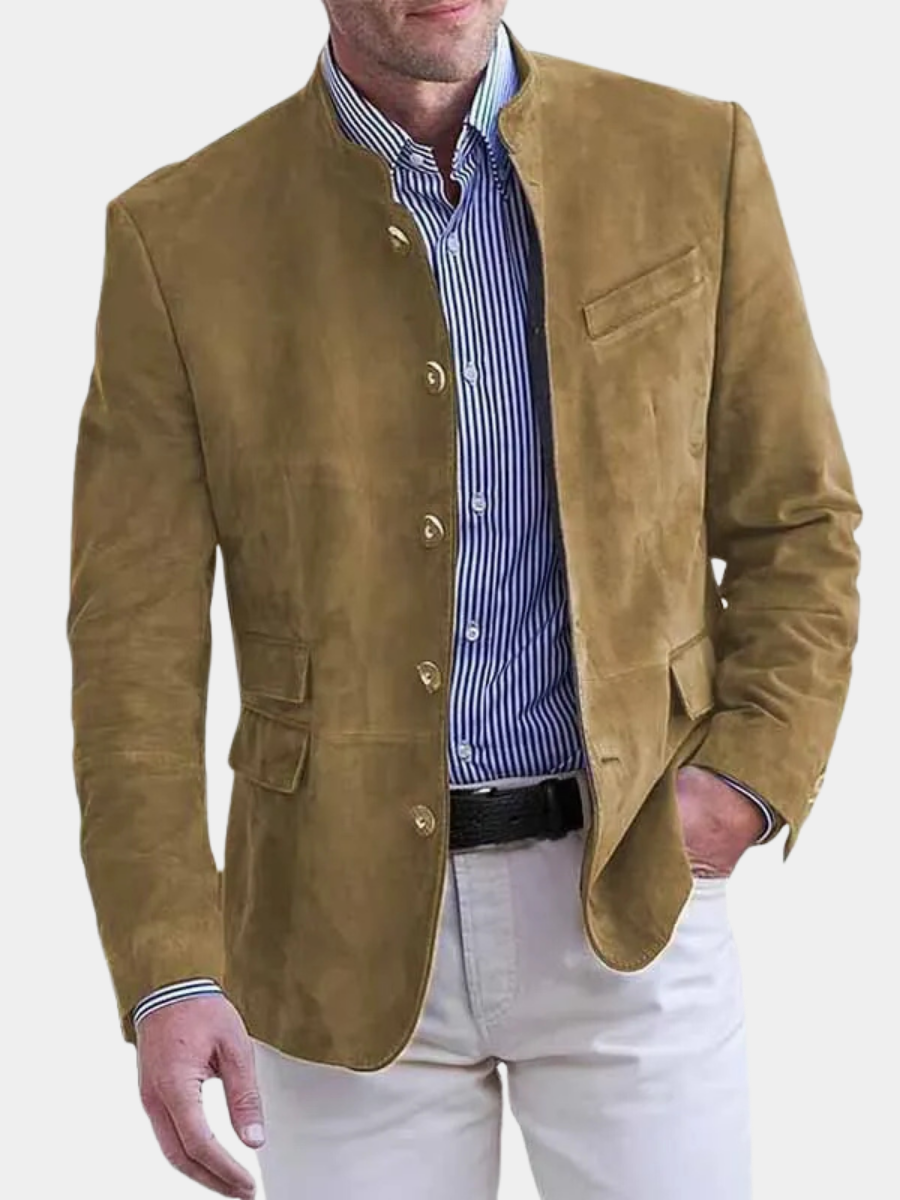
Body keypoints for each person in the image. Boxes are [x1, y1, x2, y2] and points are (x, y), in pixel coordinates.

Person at [66, 2, 862, 1197]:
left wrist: (746, 780)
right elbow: (133, 644)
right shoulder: (179, 236)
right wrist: (168, 966)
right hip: (328, 934)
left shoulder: (695, 158)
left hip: (634, 896)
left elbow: (798, 524)